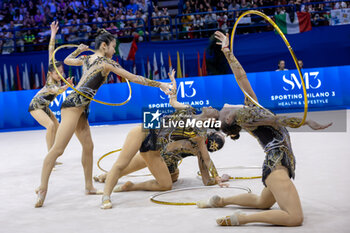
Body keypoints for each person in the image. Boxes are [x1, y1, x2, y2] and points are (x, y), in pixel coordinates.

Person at [196, 31, 332, 227]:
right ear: (229, 118)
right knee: (294, 217)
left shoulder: (248, 109)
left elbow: (241, 77)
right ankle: (242, 219)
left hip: (281, 159)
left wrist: (227, 51)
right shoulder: (245, 116)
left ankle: (221, 201)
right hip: (276, 163)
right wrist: (306, 121)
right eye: (221, 111)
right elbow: (276, 120)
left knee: (263, 202)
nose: (222, 107)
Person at [34, 29, 173, 208]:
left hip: (82, 109)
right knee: (57, 150)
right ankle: (42, 188)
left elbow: (68, 60)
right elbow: (133, 77)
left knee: (88, 147)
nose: (115, 50)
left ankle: (89, 186)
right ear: (104, 45)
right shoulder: (105, 62)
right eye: (114, 46)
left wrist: (79, 50)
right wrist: (160, 84)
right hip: (73, 106)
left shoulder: (86, 59)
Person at [101, 70, 227, 209]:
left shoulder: (200, 135)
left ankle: (131, 186)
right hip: (146, 129)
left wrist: (216, 178)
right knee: (121, 164)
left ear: (211, 120)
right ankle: (106, 196)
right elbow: (173, 101)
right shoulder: (189, 109)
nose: (211, 107)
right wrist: (173, 83)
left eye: (214, 110)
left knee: (166, 185)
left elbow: (206, 159)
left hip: (155, 147)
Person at [93, 130, 226, 187]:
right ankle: (107, 176)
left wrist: (217, 177)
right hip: (161, 154)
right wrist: (217, 178)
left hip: (160, 153)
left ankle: (107, 176)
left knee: (174, 176)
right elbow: (206, 180)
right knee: (126, 168)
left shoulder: (198, 134)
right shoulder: (201, 153)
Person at [29, 21, 73, 161]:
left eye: (62, 72)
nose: (61, 74)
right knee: (49, 126)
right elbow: (56, 89)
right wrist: (52, 33)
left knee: (57, 126)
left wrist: (66, 86)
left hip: (44, 106)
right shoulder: (50, 80)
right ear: (51, 73)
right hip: (35, 106)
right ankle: (50, 157)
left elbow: (59, 89)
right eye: (58, 73)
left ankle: (53, 155)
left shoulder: (58, 80)